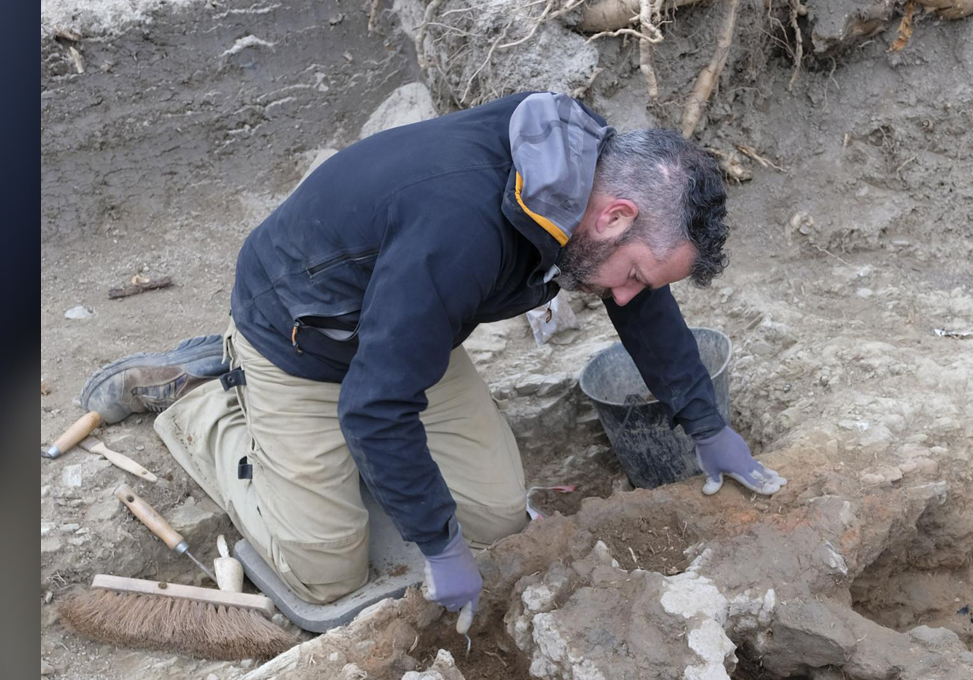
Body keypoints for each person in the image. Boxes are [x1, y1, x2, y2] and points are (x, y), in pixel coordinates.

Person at [83, 91, 785, 614]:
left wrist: (707, 424)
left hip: (407, 324)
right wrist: (441, 549)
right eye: (632, 273)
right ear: (615, 217)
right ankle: (206, 397)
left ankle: (338, 462)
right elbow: (374, 404)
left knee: (499, 520)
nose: (628, 296)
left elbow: (646, 306)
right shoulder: (462, 229)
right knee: (326, 574)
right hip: (296, 336)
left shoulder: (581, 174)